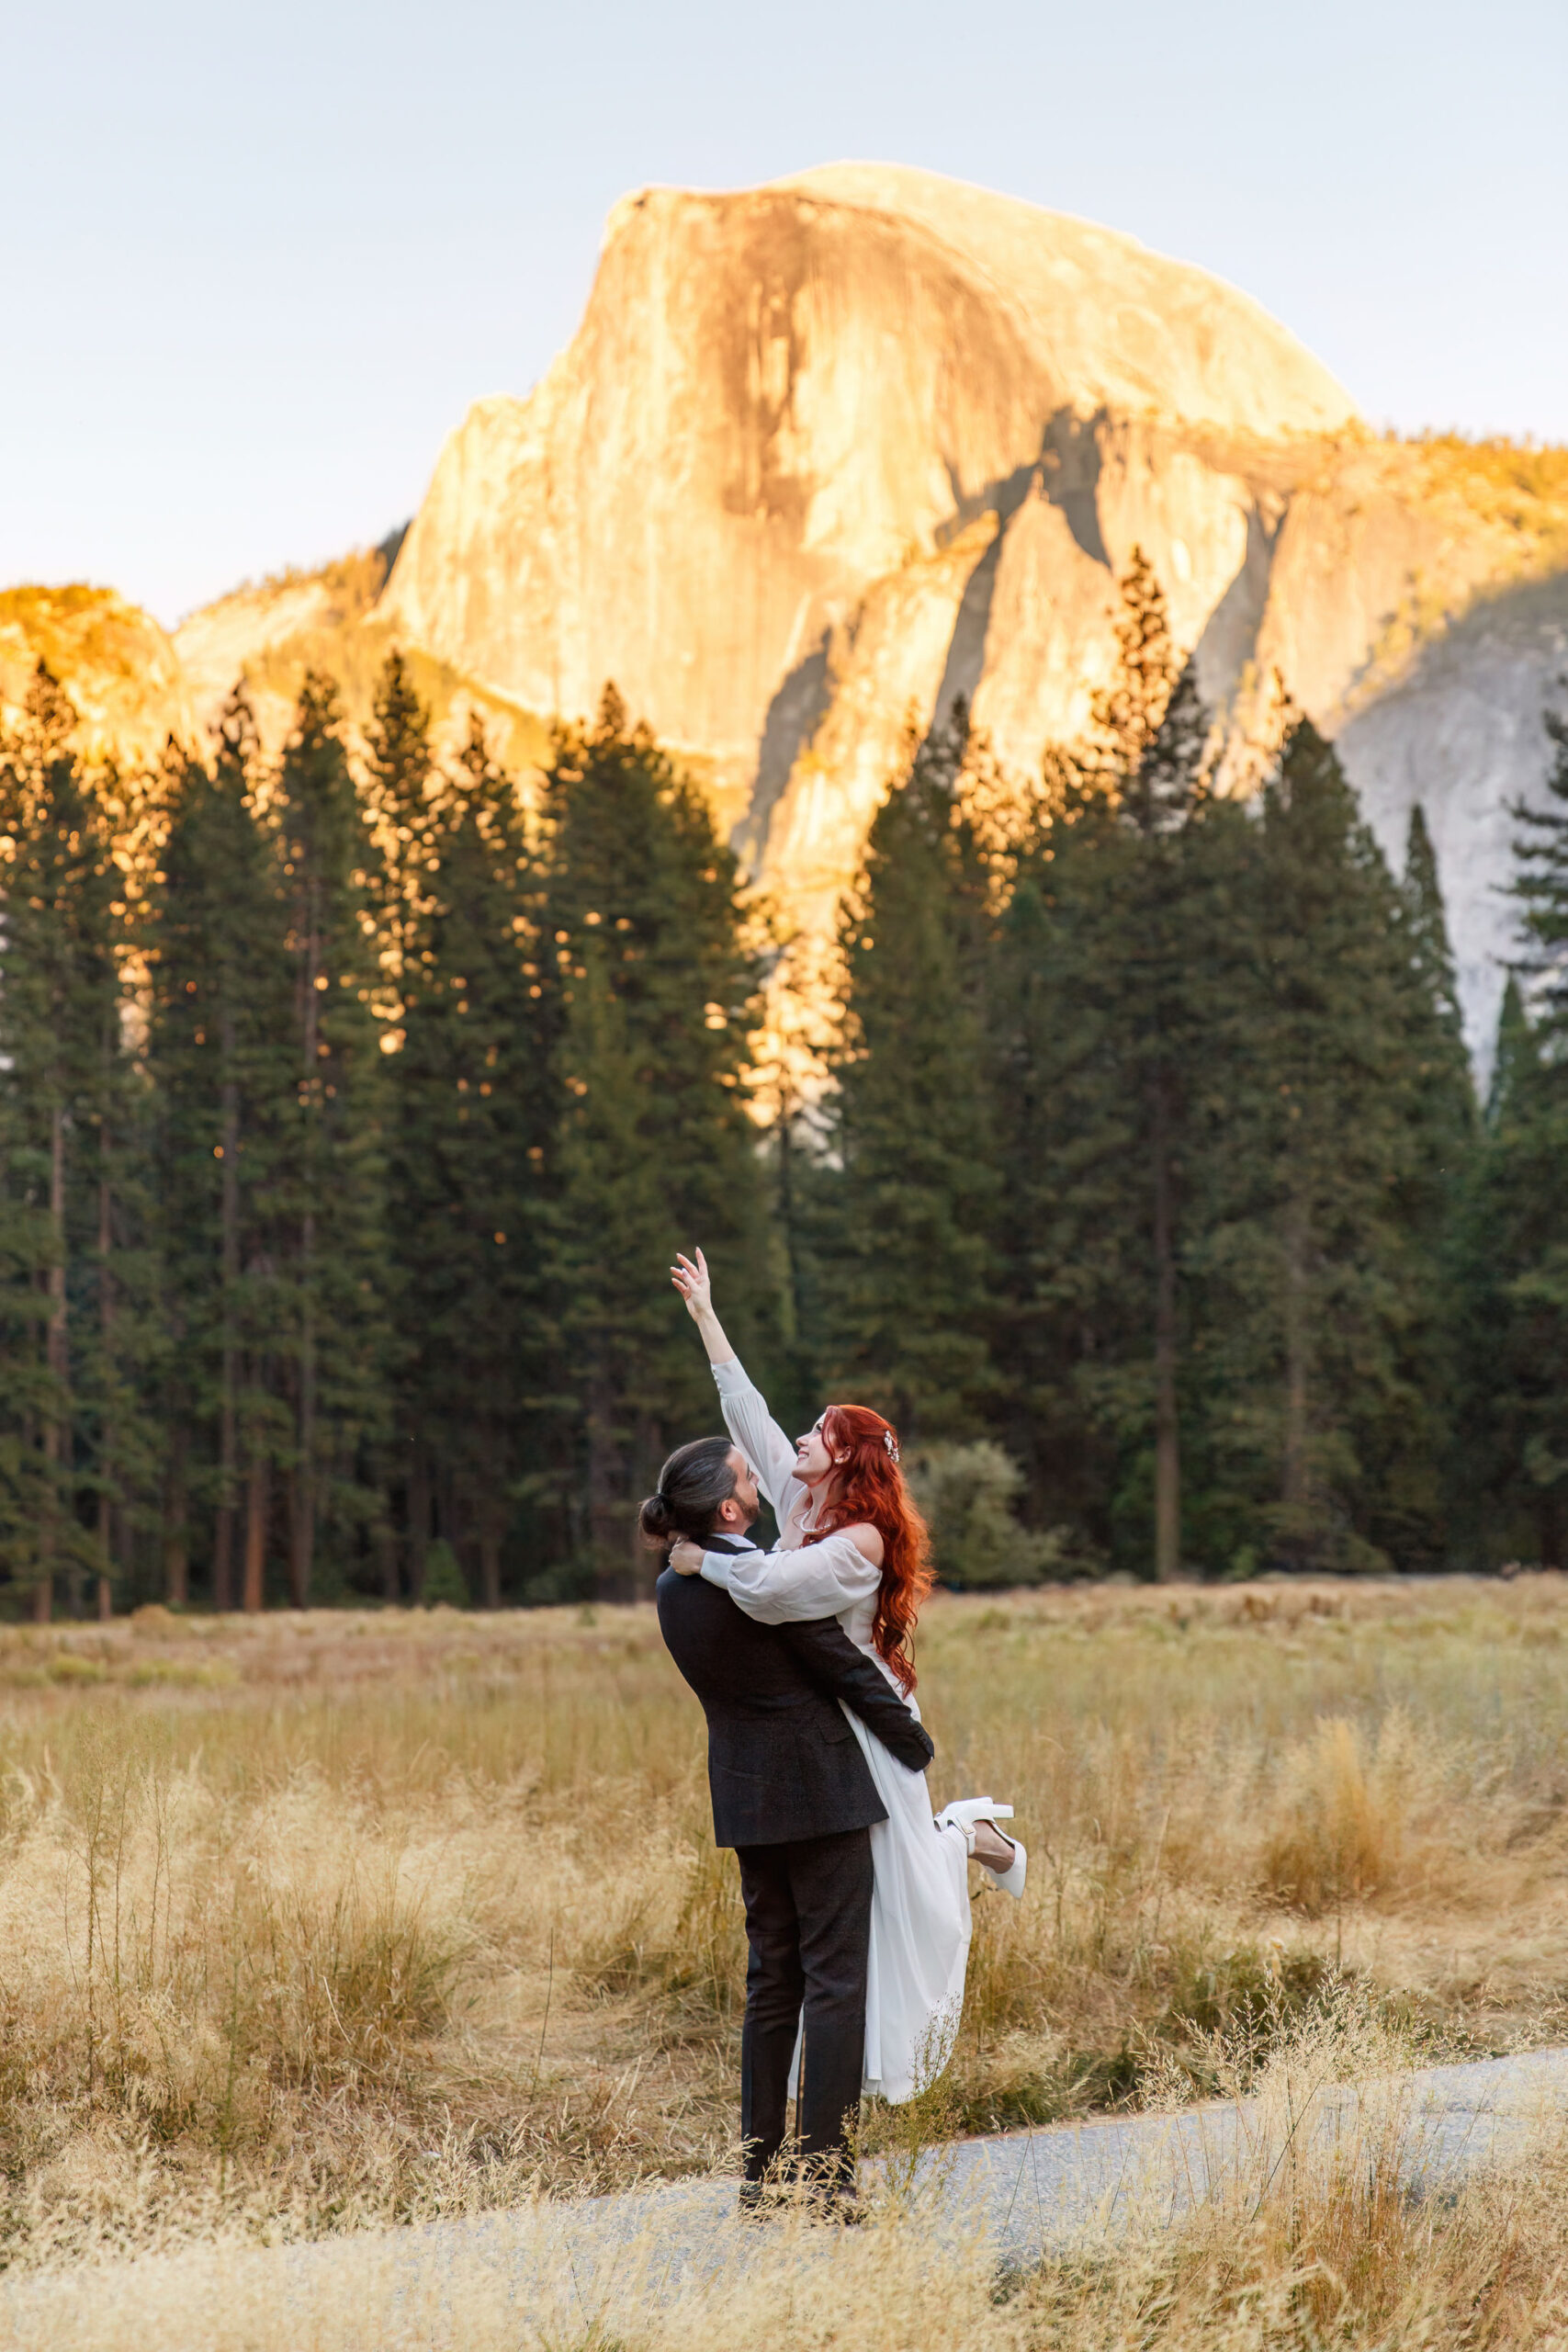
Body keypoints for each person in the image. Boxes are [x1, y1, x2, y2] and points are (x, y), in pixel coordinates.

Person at [665, 1248, 1026, 2114]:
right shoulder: (801, 1505)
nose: (796, 1437)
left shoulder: (856, 1542)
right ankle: (830, 2108)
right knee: (857, 1920)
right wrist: (707, 1316)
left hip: (869, 1725)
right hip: (822, 1727)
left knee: (908, 1888)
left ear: (844, 1459)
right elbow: (746, 1413)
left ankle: (978, 1841)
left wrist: (702, 1563)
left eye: (817, 1431)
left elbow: (772, 1590)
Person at [646, 1432, 937, 2213]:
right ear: (732, 1508)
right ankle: (826, 2180)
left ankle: (760, 2176)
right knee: (836, 1985)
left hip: (746, 1797)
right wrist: (914, 1744)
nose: (763, 1481)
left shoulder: (673, 1590)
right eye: (749, 1476)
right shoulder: (756, 1585)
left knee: (772, 1983)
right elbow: (840, 1665)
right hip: (822, 1794)